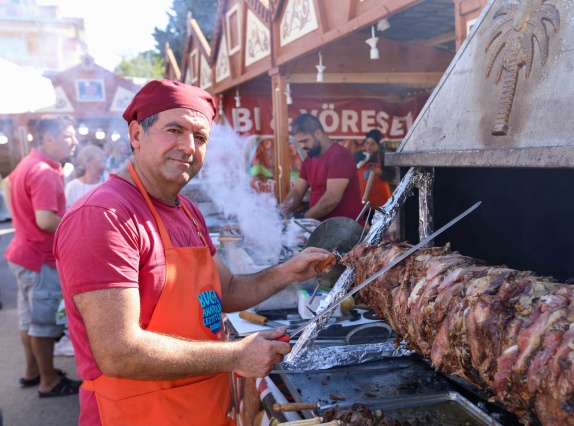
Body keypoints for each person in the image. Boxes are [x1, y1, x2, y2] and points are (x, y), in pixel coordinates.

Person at [53, 79, 332, 425]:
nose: (188, 146)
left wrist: (288, 271)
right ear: (137, 135)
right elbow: (118, 351)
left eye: (200, 137)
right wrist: (234, 355)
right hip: (136, 416)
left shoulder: (186, 210)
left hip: (202, 412)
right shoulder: (104, 217)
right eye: (174, 130)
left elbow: (224, 291)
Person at [2, 115, 81, 398]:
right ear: (49, 139)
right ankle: (48, 382)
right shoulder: (45, 171)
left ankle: (33, 372)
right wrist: (79, 226)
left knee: (29, 320)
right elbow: (47, 220)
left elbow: (8, 185)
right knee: (43, 323)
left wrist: (22, 222)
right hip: (39, 258)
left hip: (23, 252)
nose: (74, 142)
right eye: (68, 136)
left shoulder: (28, 163)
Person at [278, 114, 361, 221]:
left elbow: (332, 199)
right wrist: (281, 212)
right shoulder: (309, 160)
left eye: (305, 141)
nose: (302, 146)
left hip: (344, 230)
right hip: (321, 228)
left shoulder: (340, 156)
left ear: (318, 133)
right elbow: (297, 191)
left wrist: (303, 218)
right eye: (300, 142)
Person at [353, 129, 392, 212]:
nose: (369, 146)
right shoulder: (359, 156)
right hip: (362, 199)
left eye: (372, 144)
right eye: (367, 143)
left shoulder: (382, 156)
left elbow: (391, 177)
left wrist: (378, 172)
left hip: (381, 199)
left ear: (377, 145)